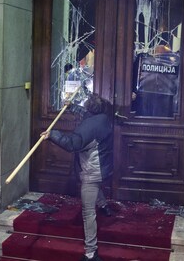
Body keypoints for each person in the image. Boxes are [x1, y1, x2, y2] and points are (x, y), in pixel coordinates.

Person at [41, 93, 113, 261]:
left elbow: (72, 143)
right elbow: (85, 114)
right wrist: (72, 106)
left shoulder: (90, 127)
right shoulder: (103, 118)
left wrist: (52, 134)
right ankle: (104, 206)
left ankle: (90, 252)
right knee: (95, 187)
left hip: (92, 171)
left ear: (91, 109)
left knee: (88, 212)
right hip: (102, 167)